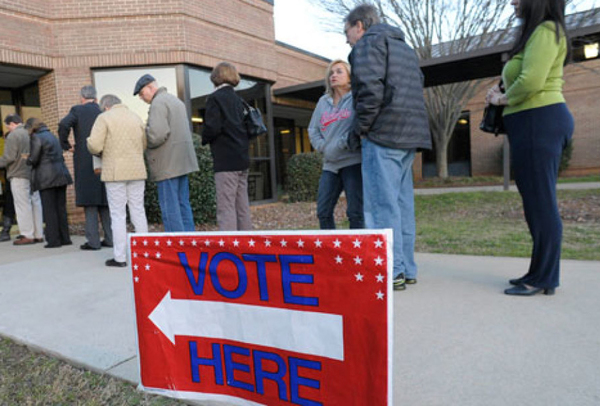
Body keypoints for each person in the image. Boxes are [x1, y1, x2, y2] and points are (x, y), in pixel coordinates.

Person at [486, 0, 574, 296]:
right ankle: (539, 271)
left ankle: (543, 277)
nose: (512, 1)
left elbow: (532, 80)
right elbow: (523, 77)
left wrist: (501, 99)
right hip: (531, 123)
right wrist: (500, 90)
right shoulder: (536, 33)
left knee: (541, 202)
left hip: (540, 119)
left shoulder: (547, 30)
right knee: (535, 202)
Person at [344, 4, 432, 290]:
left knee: (381, 207)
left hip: (383, 135)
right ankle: (406, 268)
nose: (347, 40)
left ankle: (388, 271)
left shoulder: (367, 45)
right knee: (403, 205)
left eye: (347, 33)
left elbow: (369, 91)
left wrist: (361, 129)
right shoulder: (404, 48)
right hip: (410, 135)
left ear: (359, 26)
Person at [87, 95, 148, 267]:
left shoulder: (104, 118)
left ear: (106, 106)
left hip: (115, 172)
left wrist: (88, 142)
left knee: (118, 214)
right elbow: (144, 144)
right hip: (137, 170)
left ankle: (120, 257)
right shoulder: (136, 117)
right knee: (138, 210)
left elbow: (95, 146)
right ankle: (144, 254)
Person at [134, 74, 199, 232]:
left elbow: (156, 135)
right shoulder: (176, 101)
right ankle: (190, 244)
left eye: (142, 94)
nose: (142, 98)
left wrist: (143, 135)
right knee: (183, 204)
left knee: (170, 208)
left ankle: (177, 248)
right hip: (182, 162)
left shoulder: (158, 103)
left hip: (167, 164)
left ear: (151, 87)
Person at [308, 59, 363, 230]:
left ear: (349, 76)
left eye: (339, 72)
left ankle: (357, 254)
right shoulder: (323, 101)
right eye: (331, 73)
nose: (334, 75)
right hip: (330, 165)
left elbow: (358, 127)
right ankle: (332, 253)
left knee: (355, 213)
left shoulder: (356, 98)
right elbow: (313, 129)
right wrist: (323, 147)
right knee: (323, 211)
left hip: (352, 162)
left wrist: (340, 144)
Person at [59, 85, 113, 251]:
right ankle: (110, 239)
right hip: (104, 160)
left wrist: (66, 145)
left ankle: (93, 242)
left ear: (82, 98)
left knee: (90, 203)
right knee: (104, 202)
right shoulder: (103, 111)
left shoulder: (77, 111)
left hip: (84, 161)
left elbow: (63, 125)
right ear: (96, 98)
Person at [201, 62, 253, 231]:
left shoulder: (215, 98)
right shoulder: (238, 99)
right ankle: (247, 244)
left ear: (216, 77)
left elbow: (212, 128)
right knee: (242, 206)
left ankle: (229, 248)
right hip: (242, 158)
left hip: (226, 161)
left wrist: (204, 138)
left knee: (226, 207)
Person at [25, 118, 73, 248]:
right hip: (61, 174)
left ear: (31, 128)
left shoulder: (36, 137)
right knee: (61, 208)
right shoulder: (52, 135)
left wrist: (27, 160)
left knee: (49, 209)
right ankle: (65, 238)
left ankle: (53, 241)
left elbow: (34, 159)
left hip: (46, 177)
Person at [0, 115, 44, 245]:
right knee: (35, 203)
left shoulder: (14, 135)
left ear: (12, 123)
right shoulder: (31, 133)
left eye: (8, 126)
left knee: (22, 205)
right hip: (33, 174)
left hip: (18, 173)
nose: (8, 128)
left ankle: (27, 234)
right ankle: (38, 234)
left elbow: (9, 157)